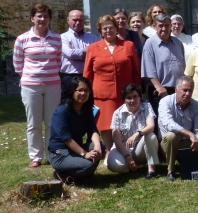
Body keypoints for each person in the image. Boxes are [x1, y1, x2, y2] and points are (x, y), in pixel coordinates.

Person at [14, 3, 63, 168]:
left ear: (49, 19)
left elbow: (58, 60)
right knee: (33, 123)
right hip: (31, 87)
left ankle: (51, 154)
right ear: (32, 18)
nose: (42, 19)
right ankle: (36, 157)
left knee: (51, 122)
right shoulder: (22, 39)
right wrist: (32, 77)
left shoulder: (57, 38)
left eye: (45, 16)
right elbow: (18, 64)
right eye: (39, 16)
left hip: (53, 86)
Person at [85, 15, 142, 153]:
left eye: (111, 27)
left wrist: (138, 89)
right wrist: (87, 93)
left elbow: (136, 69)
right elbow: (87, 73)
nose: (108, 30)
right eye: (105, 28)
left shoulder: (128, 45)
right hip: (102, 94)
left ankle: (127, 150)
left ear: (117, 29)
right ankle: (110, 151)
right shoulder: (93, 48)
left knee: (124, 122)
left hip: (125, 93)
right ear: (100, 30)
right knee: (105, 124)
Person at [158, 76, 198, 182]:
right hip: (169, 144)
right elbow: (169, 124)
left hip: (187, 144)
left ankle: (190, 162)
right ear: (176, 89)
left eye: (190, 91)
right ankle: (170, 171)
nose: (187, 93)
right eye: (184, 90)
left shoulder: (197, 105)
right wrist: (190, 134)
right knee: (171, 136)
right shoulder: (165, 102)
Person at [48, 76, 103, 183]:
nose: (83, 93)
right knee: (88, 165)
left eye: (86, 90)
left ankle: (80, 175)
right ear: (71, 92)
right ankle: (62, 174)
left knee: (101, 147)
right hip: (60, 153)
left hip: (76, 149)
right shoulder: (61, 111)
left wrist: (97, 146)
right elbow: (66, 138)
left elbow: (93, 130)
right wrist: (85, 154)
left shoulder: (87, 109)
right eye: (80, 90)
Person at [106, 84, 159, 178]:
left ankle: (151, 169)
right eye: (129, 98)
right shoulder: (118, 113)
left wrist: (137, 134)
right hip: (123, 148)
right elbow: (117, 140)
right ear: (124, 100)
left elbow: (151, 126)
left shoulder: (146, 106)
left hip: (141, 147)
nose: (133, 100)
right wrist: (127, 156)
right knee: (113, 165)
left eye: (135, 96)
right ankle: (130, 166)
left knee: (151, 136)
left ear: (140, 97)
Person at [141, 14, 186, 125]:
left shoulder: (177, 43)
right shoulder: (150, 43)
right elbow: (148, 68)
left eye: (167, 25)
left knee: (179, 121)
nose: (164, 29)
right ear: (155, 26)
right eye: (161, 26)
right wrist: (159, 87)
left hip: (177, 90)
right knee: (162, 123)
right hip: (160, 91)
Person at [59, 10, 99, 86]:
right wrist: (90, 52)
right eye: (75, 20)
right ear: (68, 20)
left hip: (88, 75)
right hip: (69, 77)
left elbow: (99, 54)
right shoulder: (62, 37)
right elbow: (70, 53)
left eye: (80, 20)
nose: (78, 23)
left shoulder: (93, 38)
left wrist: (75, 51)